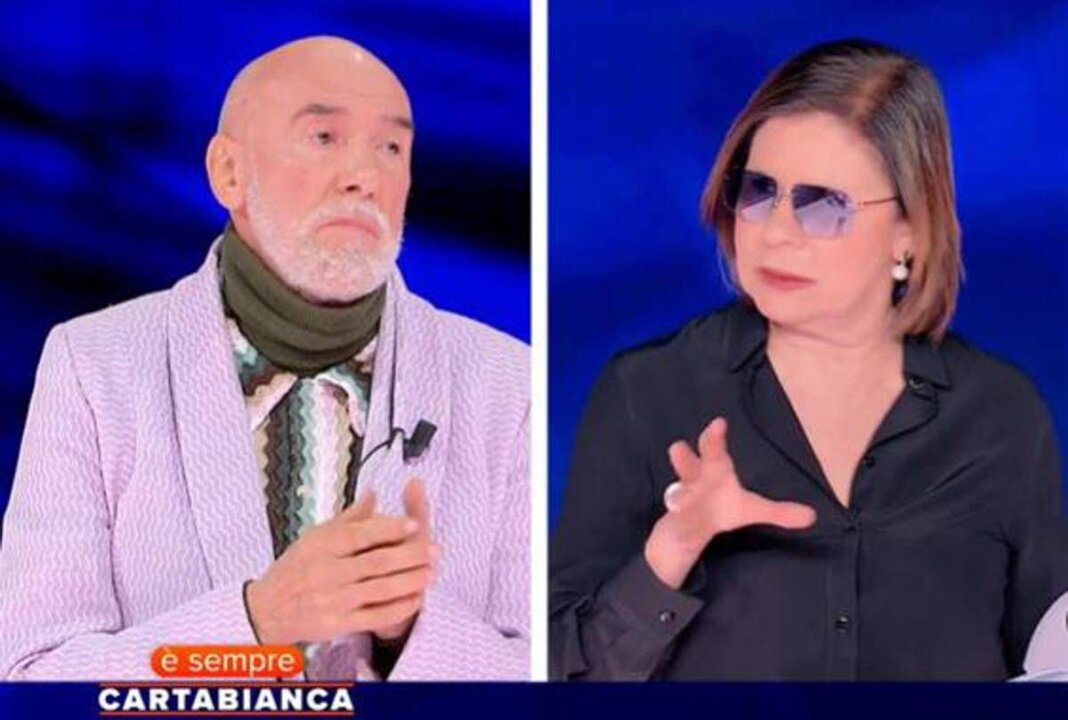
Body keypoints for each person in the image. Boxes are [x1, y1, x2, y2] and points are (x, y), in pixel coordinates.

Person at [0, 36, 529, 681]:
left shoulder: (508, 384)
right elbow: (32, 677)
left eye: (391, 148)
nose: (365, 176)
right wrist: (255, 622)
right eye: (324, 137)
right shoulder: (94, 366)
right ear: (228, 172)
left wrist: (410, 632)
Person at [550, 39, 1068, 681]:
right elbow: (561, 674)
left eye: (824, 204)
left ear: (909, 232)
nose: (775, 232)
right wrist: (674, 547)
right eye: (758, 191)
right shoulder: (649, 393)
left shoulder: (1000, 415)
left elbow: (1051, 663)